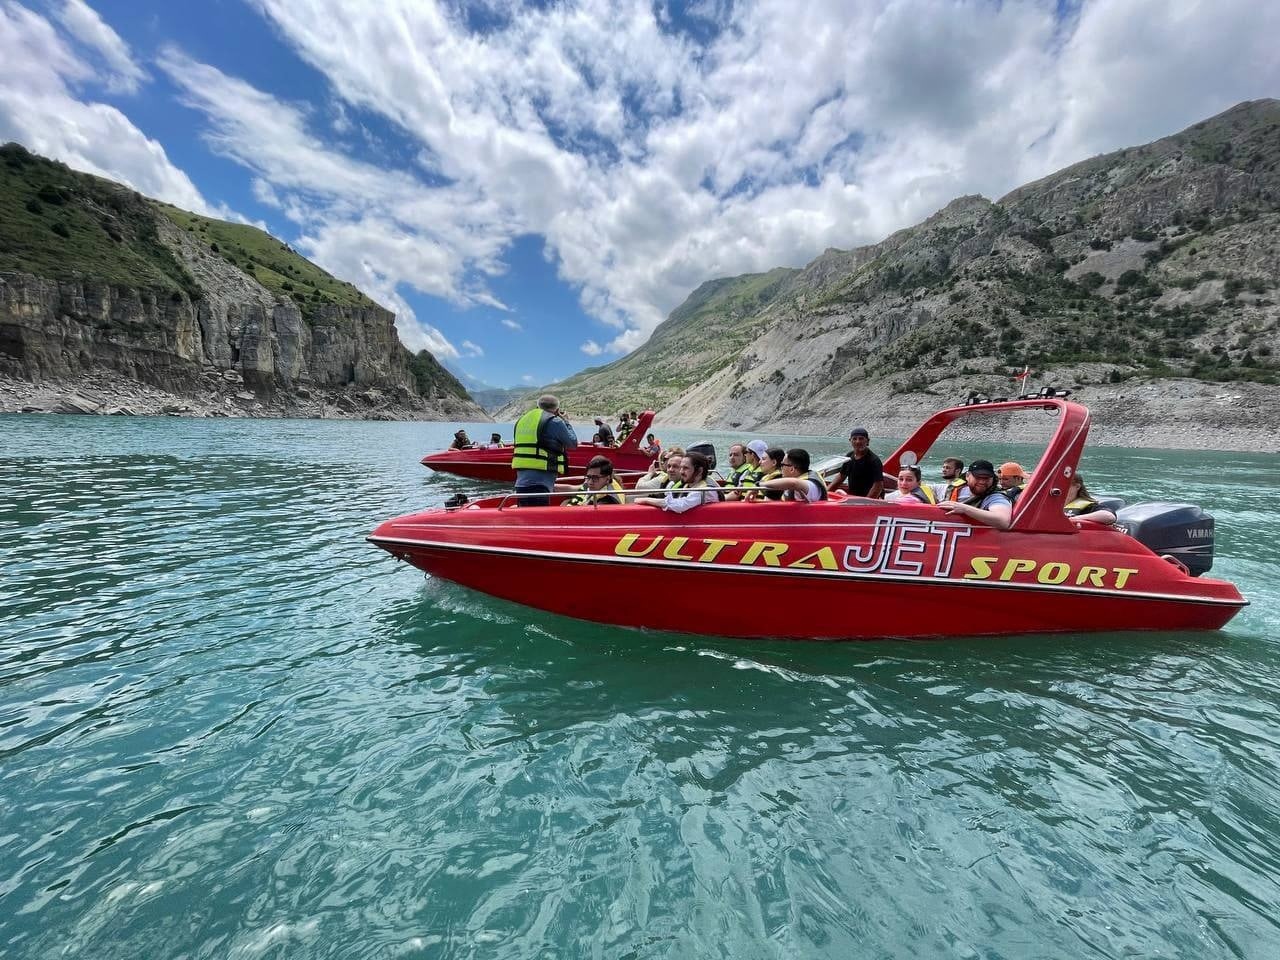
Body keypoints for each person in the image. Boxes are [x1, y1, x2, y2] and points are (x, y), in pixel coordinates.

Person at [511, 394, 578, 506]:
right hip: (540, 485)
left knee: (526, 513)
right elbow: (572, 444)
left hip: (521, 483)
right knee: (537, 514)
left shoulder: (522, 420)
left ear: (538, 406)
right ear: (557, 410)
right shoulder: (555, 422)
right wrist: (566, 422)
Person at [937, 459, 1012, 529]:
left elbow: (1003, 521)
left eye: (986, 478)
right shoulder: (954, 488)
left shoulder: (996, 497)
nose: (982, 482)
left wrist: (964, 509)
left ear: (993, 479)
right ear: (967, 476)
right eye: (978, 477)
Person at [636, 452, 718, 513]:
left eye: (685, 468)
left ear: (699, 471)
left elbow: (680, 505)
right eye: (681, 468)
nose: (681, 472)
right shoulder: (688, 486)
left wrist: (646, 500)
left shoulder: (705, 491)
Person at [828, 426, 883, 498]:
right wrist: (826, 492)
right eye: (854, 439)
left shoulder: (874, 460)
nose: (857, 441)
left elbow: (878, 485)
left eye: (861, 438)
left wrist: (866, 502)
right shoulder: (849, 456)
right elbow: (841, 476)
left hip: (870, 499)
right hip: (853, 498)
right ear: (850, 441)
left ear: (867, 441)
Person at [760, 448, 828, 502]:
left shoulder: (811, 485)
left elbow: (794, 483)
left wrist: (761, 484)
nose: (781, 468)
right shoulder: (806, 477)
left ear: (792, 469)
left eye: (782, 465)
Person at [557, 455, 623, 506]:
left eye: (595, 478)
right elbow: (575, 488)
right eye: (588, 477)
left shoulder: (606, 501)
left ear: (608, 479)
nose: (590, 482)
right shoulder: (599, 485)